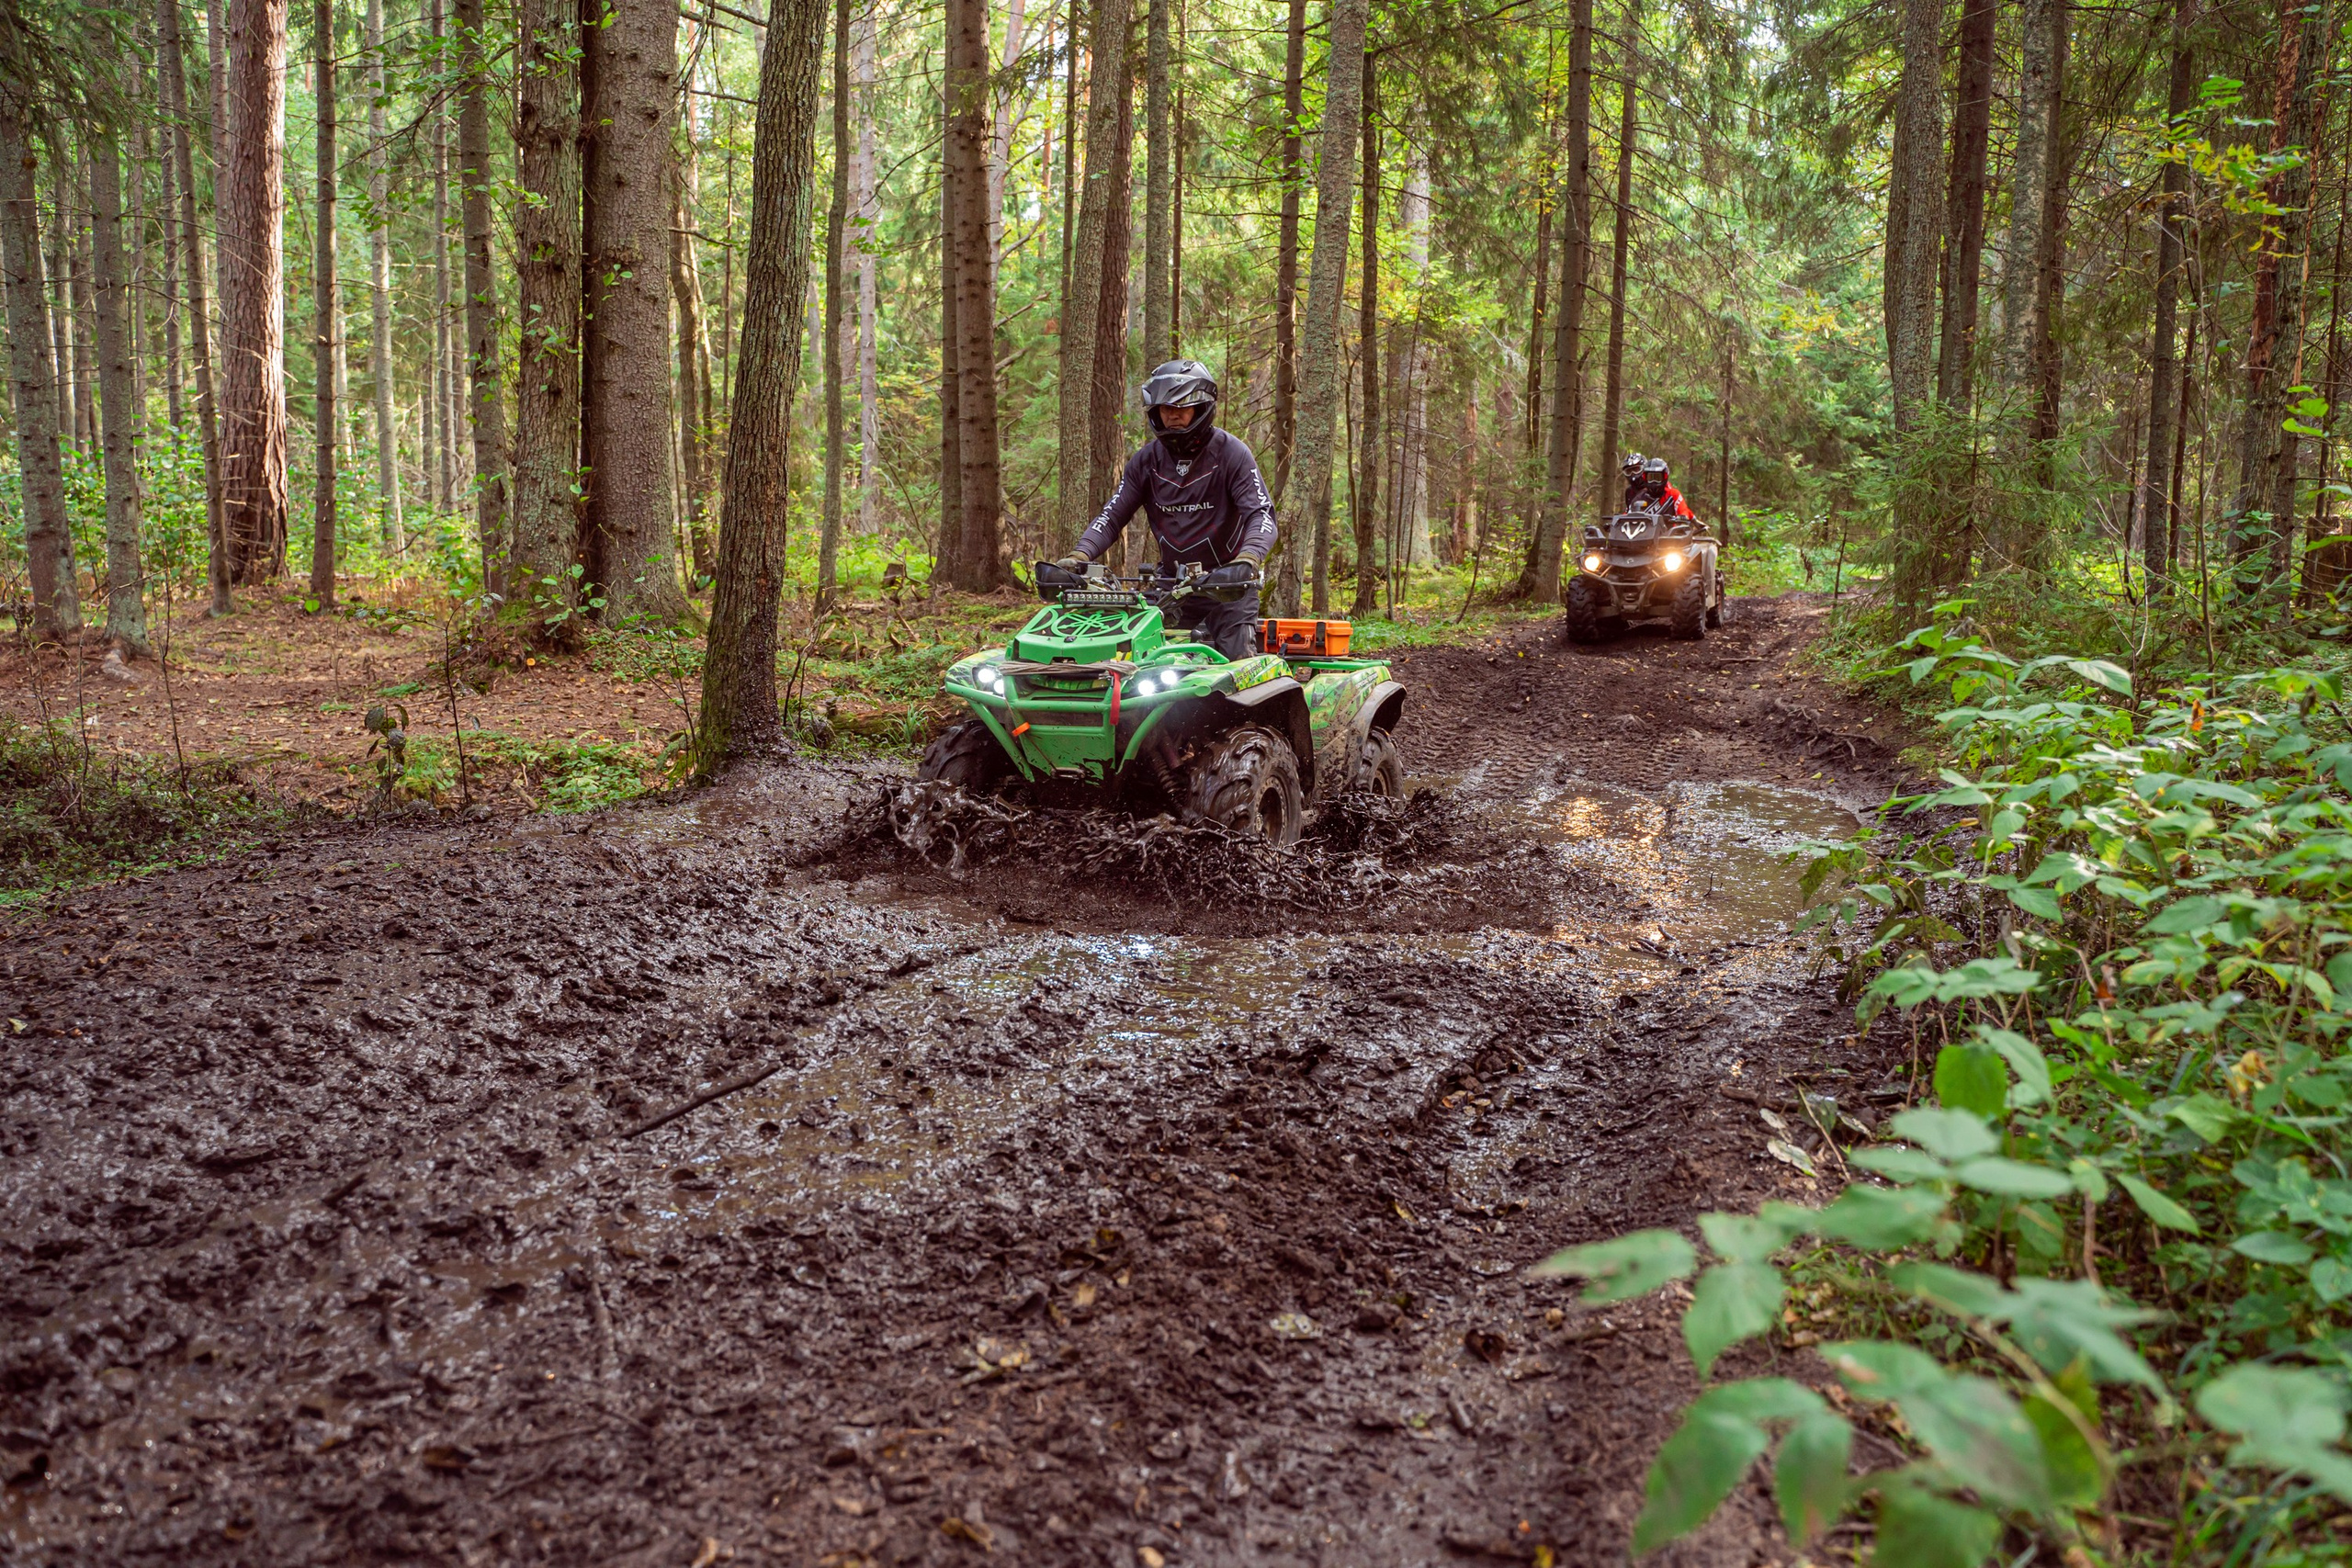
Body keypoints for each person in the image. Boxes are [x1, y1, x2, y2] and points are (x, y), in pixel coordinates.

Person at [1056, 360, 1276, 660]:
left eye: (1181, 406)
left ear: (1201, 407)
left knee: (1237, 663)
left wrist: (1248, 560)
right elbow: (1111, 517)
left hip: (1230, 589)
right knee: (1128, 657)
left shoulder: (1231, 453)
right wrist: (1079, 556)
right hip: (1171, 588)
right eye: (1163, 407)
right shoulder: (1145, 462)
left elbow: (1261, 515)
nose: (1171, 414)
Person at [1621, 452, 1694, 520]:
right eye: (1650, 478)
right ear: (1645, 477)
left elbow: (1683, 509)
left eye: (1657, 478)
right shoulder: (1637, 496)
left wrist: (1683, 517)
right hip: (1644, 531)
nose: (1653, 482)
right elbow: (1628, 515)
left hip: (1669, 531)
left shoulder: (1672, 494)